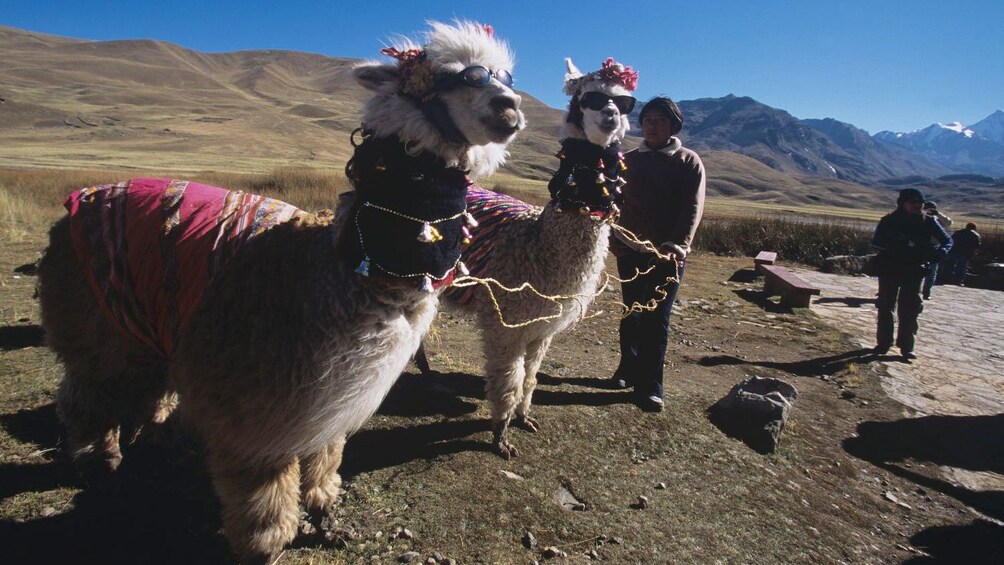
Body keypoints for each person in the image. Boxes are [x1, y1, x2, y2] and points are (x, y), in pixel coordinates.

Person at [610, 97, 705, 411]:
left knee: (657, 319)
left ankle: (652, 386)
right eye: (648, 119)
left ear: (672, 125)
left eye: (660, 120)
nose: (652, 125)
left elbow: (692, 207)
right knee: (631, 313)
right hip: (629, 250)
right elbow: (615, 201)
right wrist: (613, 235)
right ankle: (627, 369)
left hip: (667, 255)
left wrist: (677, 244)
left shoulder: (688, 161)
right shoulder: (629, 159)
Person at [870, 188, 952, 360]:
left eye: (920, 203)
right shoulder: (888, 221)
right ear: (902, 203)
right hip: (890, 268)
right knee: (885, 306)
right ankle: (884, 343)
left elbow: (947, 241)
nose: (917, 206)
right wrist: (895, 246)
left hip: (914, 270)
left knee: (911, 308)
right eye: (912, 202)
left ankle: (907, 347)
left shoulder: (929, 222)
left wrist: (938, 254)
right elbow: (876, 243)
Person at [921, 201, 952, 300]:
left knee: (932, 272)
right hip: (920, 246)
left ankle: (927, 291)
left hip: (934, 248)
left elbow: (949, 222)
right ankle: (914, 290)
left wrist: (937, 214)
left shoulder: (938, 220)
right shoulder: (921, 217)